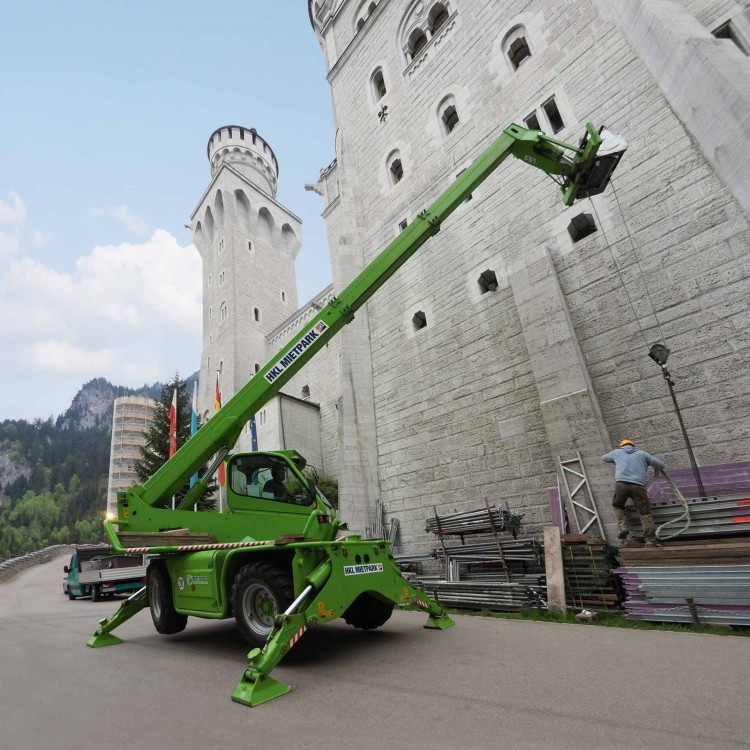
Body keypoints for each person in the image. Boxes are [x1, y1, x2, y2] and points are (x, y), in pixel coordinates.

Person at [602, 439, 665, 547]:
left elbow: (604, 458)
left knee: (618, 505)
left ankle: (623, 528)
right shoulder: (642, 454)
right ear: (633, 446)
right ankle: (650, 540)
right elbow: (661, 465)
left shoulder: (617, 452)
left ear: (622, 446)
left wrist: (615, 459)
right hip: (638, 485)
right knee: (644, 513)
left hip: (621, 484)